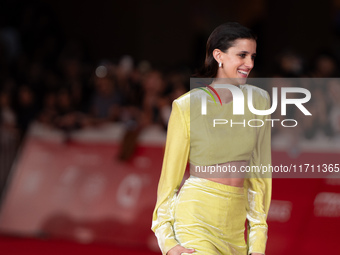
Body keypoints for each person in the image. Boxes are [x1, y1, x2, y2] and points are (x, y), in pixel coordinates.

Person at [151, 22, 272, 255]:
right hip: (195, 220)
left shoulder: (260, 101)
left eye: (253, 56)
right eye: (242, 55)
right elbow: (169, 180)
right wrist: (168, 242)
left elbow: (259, 177)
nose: (250, 64)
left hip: (236, 230)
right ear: (219, 56)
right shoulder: (186, 106)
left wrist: (258, 242)